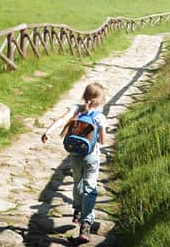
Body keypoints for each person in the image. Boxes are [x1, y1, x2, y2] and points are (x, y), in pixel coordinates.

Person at [41, 82, 108, 243]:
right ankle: (86, 224)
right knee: (90, 188)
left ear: (84, 96)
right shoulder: (99, 117)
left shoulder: (76, 109)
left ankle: (77, 210)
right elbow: (102, 141)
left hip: (75, 155)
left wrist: (47, 131)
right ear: (98, 100)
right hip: (91, 157)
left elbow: (61, 119)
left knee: (78, 183)